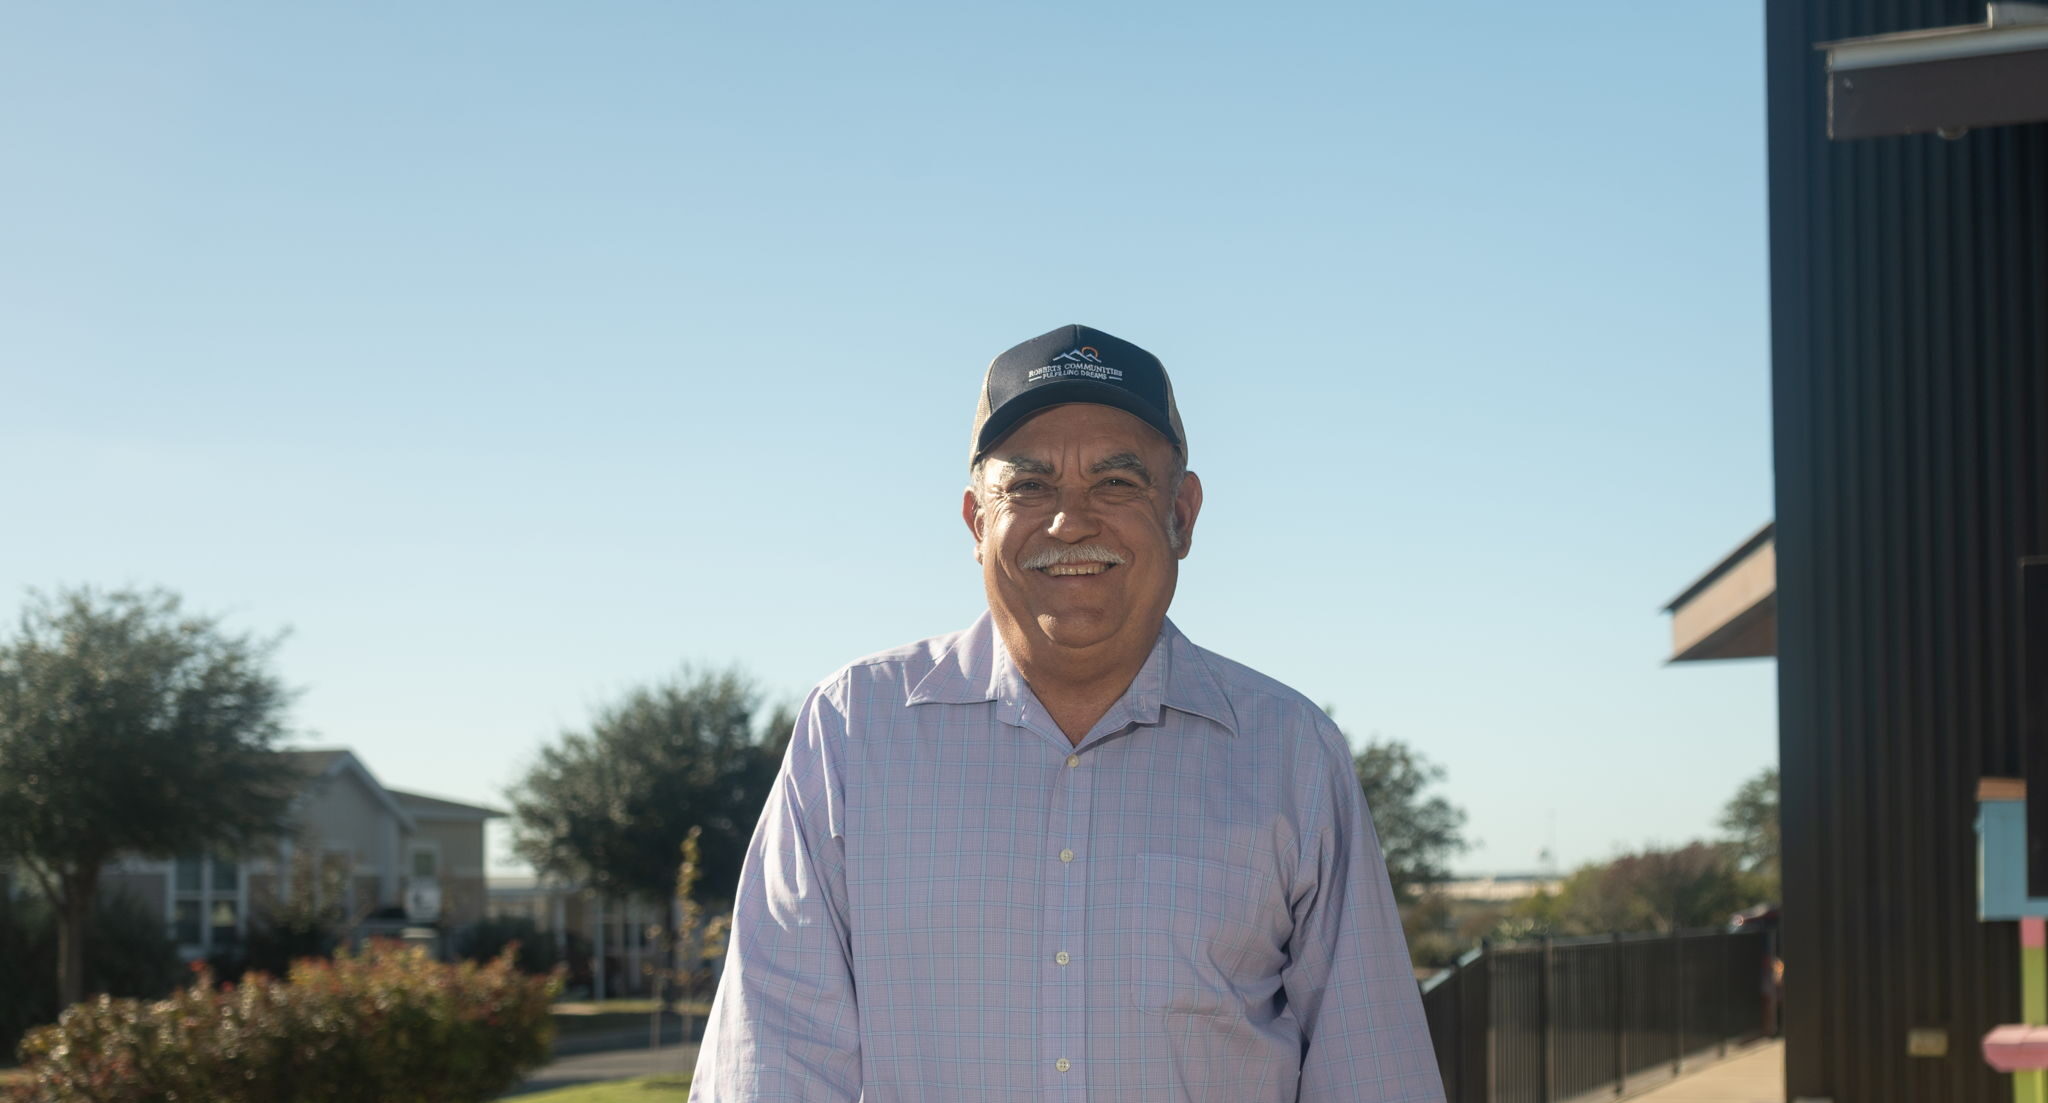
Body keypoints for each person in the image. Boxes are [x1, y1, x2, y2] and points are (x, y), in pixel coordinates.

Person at [690, 325, 1444, 1102]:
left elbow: (1373, 1069)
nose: (1069, 521)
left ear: (1182, 514)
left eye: (1116, 484)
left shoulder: (1291, 753)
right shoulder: (852, 731)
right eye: (1029, 487)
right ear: (977, 523)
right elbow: (773, 1057)